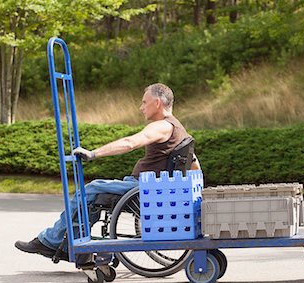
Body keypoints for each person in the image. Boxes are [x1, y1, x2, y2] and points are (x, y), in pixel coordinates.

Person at [15, 83, 200, 261]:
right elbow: (194, 164)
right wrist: (198, 192)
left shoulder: (161, 126)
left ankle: (49, 241)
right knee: (93, 198)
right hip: (148, 187)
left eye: (144, 102)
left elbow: (130, 143)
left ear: (157, 103)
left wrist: (93, 153)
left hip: (141, 187)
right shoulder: (180, 129)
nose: (141, 107)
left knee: (90, 189)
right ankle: (68, 246)